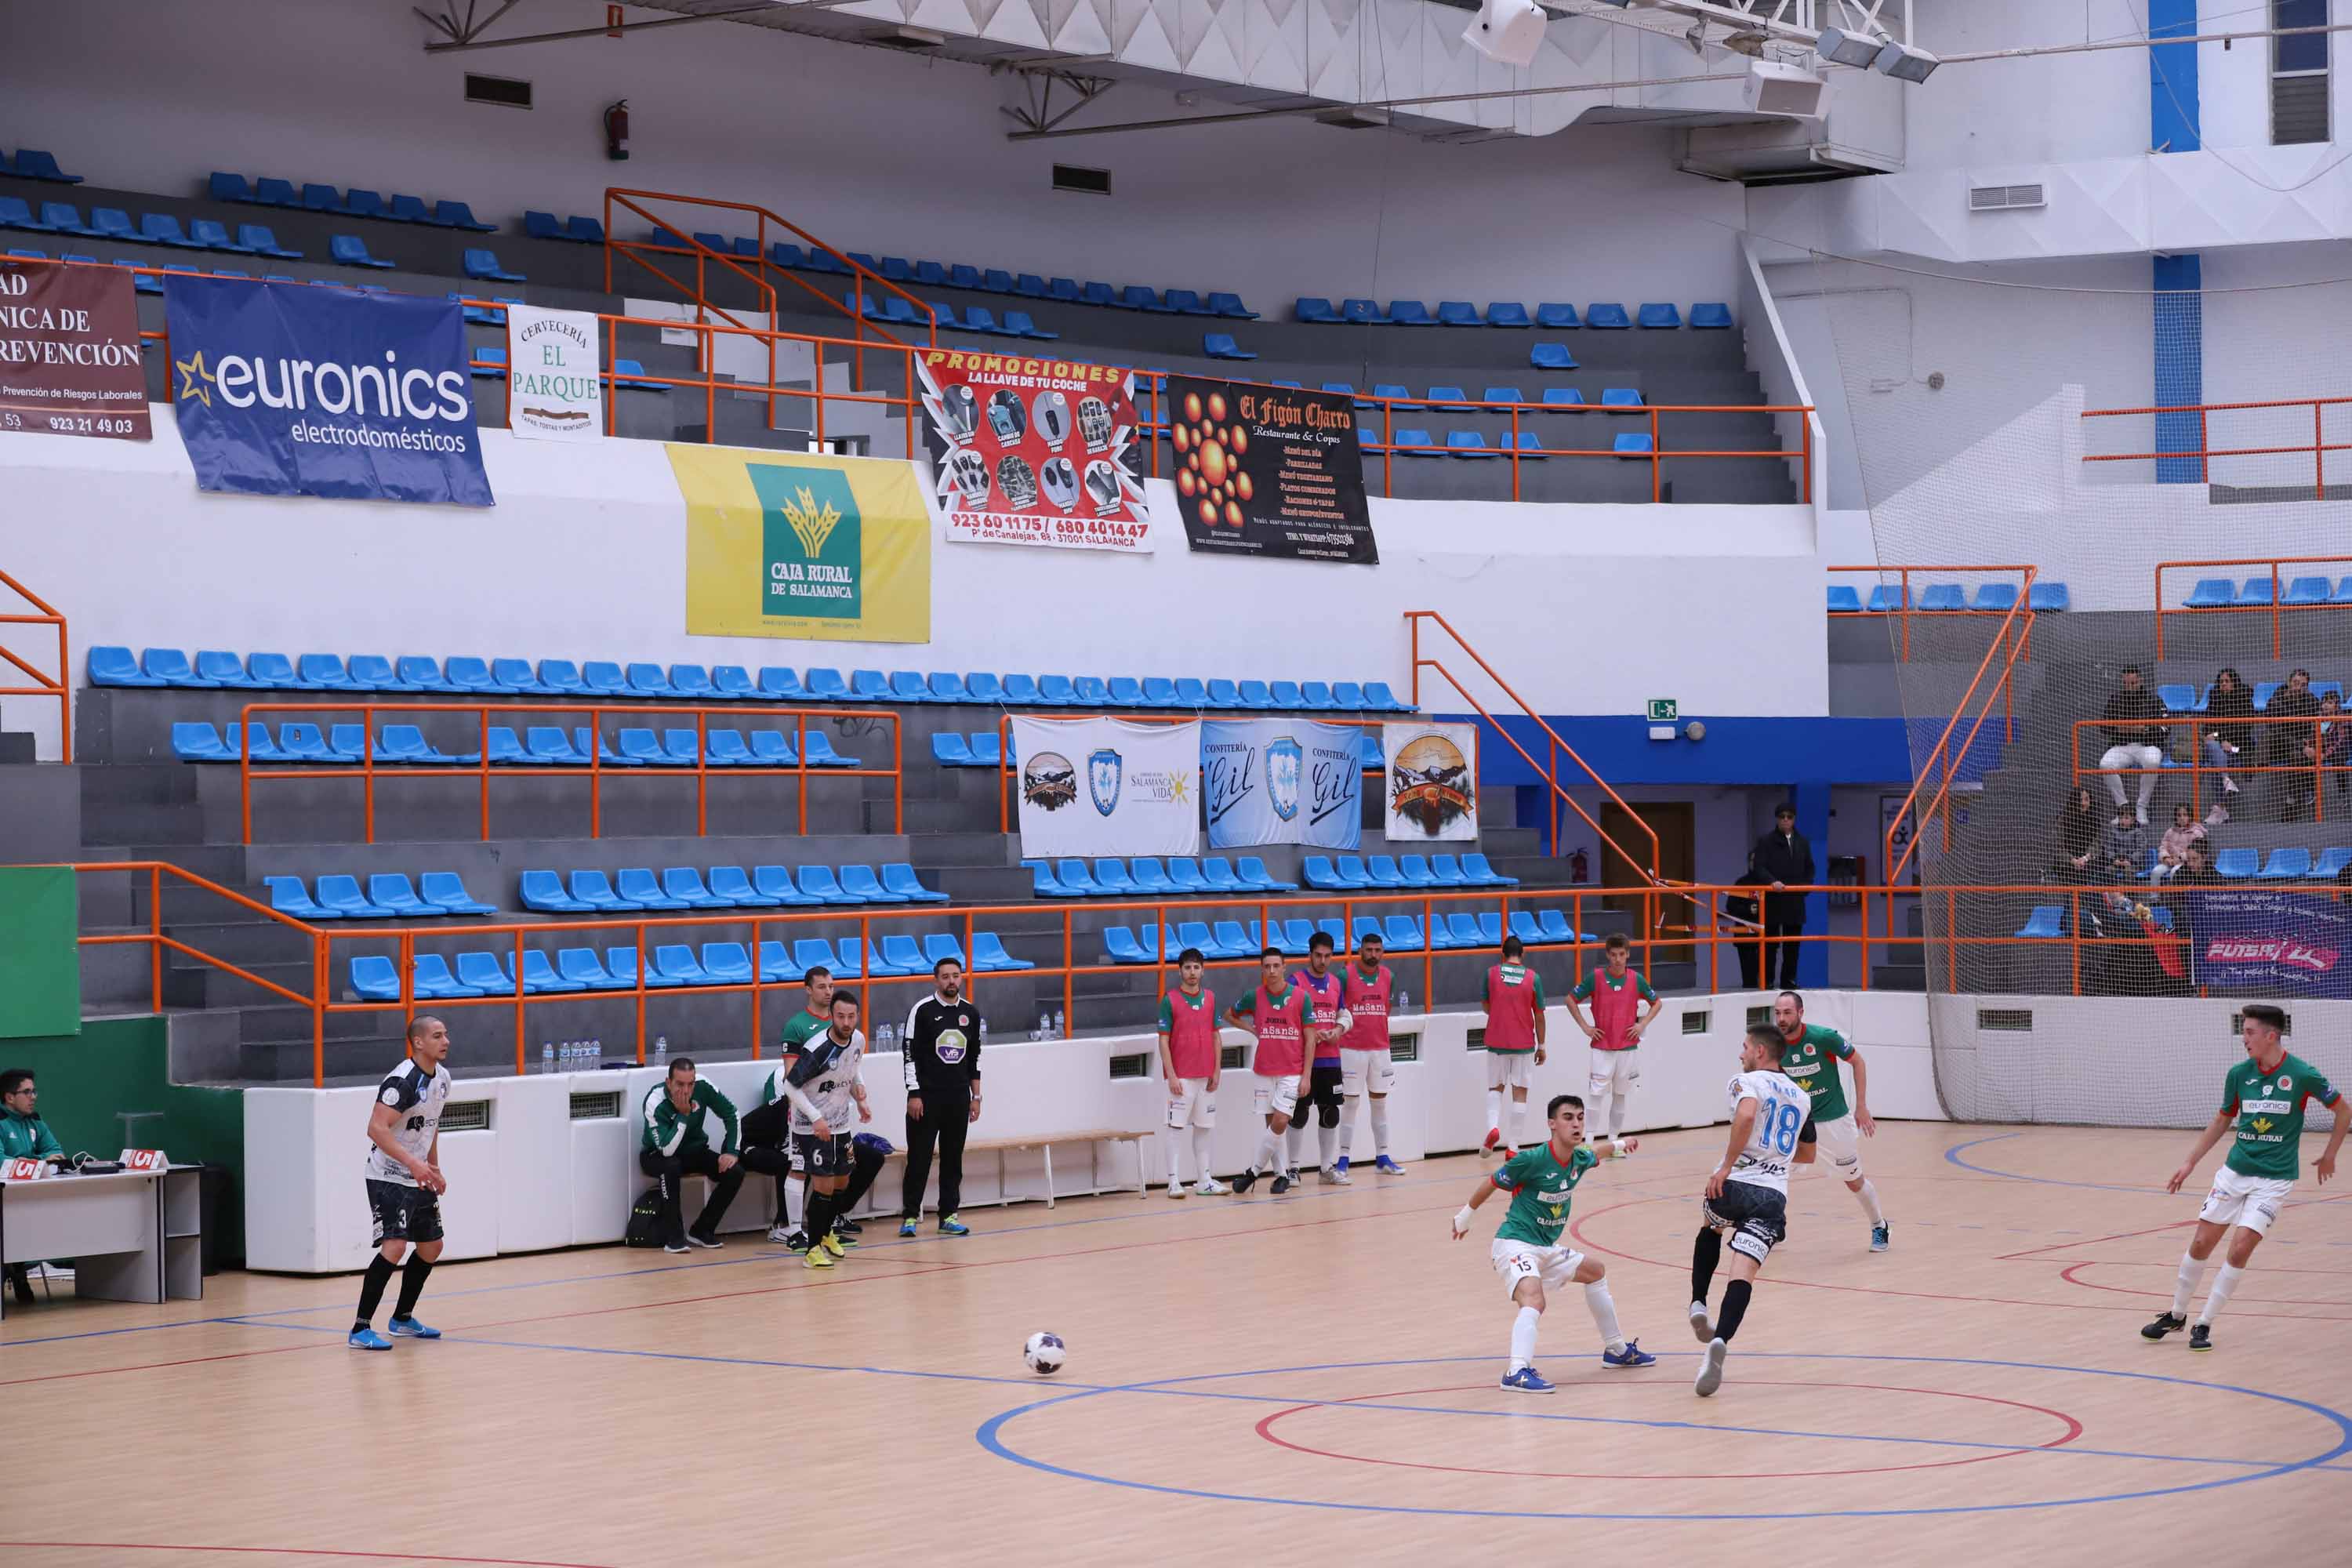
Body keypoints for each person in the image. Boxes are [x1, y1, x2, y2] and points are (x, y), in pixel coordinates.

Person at [2143, 1004, 2346, 1351]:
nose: (2244, 1038)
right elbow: (2223, 1119)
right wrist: (2190, 1162)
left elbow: (2343, 1110)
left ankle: (2204, 1324)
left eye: (2250, 1031)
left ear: (2271, 1036)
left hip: (2274, 1181)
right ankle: (2176, 1315)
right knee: (2200, 1244)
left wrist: (2330, 1155)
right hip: (2234, 1173)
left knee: (2239, 1249)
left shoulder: (2302, 1074)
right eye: (2243, 1030)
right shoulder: (2239, 1074)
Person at [1450, 1093, 1655, 1393]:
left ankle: (1616, 1350)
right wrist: (1464, 1217)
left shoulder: (1579, 1158)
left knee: (1596, 1271)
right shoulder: (1532, 1160)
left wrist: (1623, 1144)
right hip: (1515, 1243)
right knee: (1534, 1300)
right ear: (1552, 1124)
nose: (1576, 1124)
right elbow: (1492, 1182)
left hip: (1547, 1247)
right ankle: (1517, 1371)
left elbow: (1598, 1152)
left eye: (1581, 1117)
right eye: (1568, 1117)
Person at [1689, 1025, 1806, 1398]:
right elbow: (1809, 1154)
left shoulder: (1747, 1080)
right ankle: (1720, 1340)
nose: (1740, 1054)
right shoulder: (1801, 1097)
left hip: (1737, 1185)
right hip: (1774, 1196)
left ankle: (1697, 1302)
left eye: (1744, 1048)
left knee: (1711, 1224)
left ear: (1758, 1051)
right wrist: (1778, 1157)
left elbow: (1747, 1116)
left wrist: (1726, 1165)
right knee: (1744, 1273)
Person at [350, 1017, 453, 1351]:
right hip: (388, 1176)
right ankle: (360, 1328)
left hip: (418, 1175)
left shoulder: (443, 1079)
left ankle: (403, 1319)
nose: (446, 1040)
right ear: (418, 1042)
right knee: (394, 1247)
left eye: (446, 1035)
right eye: (438, 1036)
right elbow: (376, 1129)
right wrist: (413, 1163)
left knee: (431, 1246)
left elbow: (431, 1125)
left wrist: (433, 1167)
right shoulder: (402, 1081)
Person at [1773, 990, 1886, 1250]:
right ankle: (1776, 1226)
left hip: (1833, 1121)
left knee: (1853, 1179)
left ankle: (1879, 1225)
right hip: (1797, 1124)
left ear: (1800, 1013)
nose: (1781, 1018)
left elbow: (1858, 1062)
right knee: (1774, 1172)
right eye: (1777, 1012)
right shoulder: (1772, 1044)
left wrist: (1861, 1106)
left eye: (1787, 1012)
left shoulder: (1823, 1038)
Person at [781, 990, 870, 1268]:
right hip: (811, 1125)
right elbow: (790, 1085)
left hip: (840, 1122)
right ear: (831, 1016)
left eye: (851, 1016)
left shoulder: (858, 1039)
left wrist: (861, 1095)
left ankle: (827, 1231)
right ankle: (812, 1249)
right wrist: (816, 1117)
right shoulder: (817, 1049)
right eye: (841, 1016)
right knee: (824, 1185)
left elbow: (852, 1067)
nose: (846, 1022)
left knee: (843, 1180)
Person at [1225, 947, 1318, 1195]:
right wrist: (1252, 1029)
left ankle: (1252, 1172)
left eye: (1276, 966)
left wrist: (1306, 1074)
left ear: (1284, 967)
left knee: (1280, 1122)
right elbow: (1229, 1015)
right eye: (1267, 966)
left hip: (1291, 1071)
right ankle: (1281, 1176)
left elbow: (1310, 1039)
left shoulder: (1301, 997)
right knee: (1271, 1126)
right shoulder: (1254, 996)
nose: (1272, 971)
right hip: (1264, 1070)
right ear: (1262, 969)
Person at [900, 956, 983, 1237]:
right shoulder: (922, 1010)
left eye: (956, 976)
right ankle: (910, 1217)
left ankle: (948, 1215)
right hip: (926, 1099)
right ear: (936, 980)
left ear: (962, 978)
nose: (951, 981)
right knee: (919, 1159)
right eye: (945, 976)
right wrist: (914, 1093)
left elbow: (975, 1057)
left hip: (959, 1099)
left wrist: (976, 1097)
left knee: (952, 1159)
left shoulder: (971, 1012)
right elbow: (909, 1054)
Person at [637, 1056, 746, 1256]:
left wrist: (731, 1151)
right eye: (680, 1084)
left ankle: (702, 1230)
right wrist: (683, 1115)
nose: (686, 1091)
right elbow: (667, 1150)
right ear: (668, 1082)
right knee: (671, 1166)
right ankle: (674, 1238)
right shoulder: (654, 1100)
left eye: (690, 1084)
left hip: (693, 1151)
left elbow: (732, 1114)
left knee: (735, 1172)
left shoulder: (703, 1087)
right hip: (657, 1154)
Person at [1566, 933, 1664, 1142]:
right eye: (1613, 955)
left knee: (1620, 1095)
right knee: (1596, 1094)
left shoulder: (1637, 979)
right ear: (1607, 956)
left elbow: (1657, 1002)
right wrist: (1586, 1027)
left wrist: (1642, 1024)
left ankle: (1613, 1141)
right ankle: (1589, 1142)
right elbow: (1570, 1000)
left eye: (1621, 954)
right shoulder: (1596, 977)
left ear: (1628, 954)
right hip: (1602, 1047)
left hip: (1627, 1048)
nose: (1618, 959)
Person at [1156, 948, 1228, 1198]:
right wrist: (1172, 1075)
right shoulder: (1170, 1000)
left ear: (1203, 970)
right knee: (1175, 1128)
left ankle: (1204, 1180)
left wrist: (1217, 1070)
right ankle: (1173, 1181)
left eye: (1196, 967)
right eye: (1187, 967)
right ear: (1180, 971)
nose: (1192, 972)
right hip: (1182, 1077)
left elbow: (1216, 1036)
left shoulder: (1210, 998)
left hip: (1206, 1076)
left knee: (1204, 1128)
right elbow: (1163, 1041)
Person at [1336, 930, 1406, 1178]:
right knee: (1351, 1103)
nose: (1373, 954)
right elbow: (1338, 1010)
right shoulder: (1345, 975)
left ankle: (1383, 1157)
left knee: (1380, 1103)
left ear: (1382, 952)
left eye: (1377, 950)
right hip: (1351, 1049)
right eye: (1369, 950)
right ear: (1360, 951)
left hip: (1380, 1048)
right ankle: (1343, 1160)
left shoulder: (1389, 976)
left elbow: (1387, 1008)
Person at [1, 1069, 65, 1307]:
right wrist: (39, 1162)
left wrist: (40, 1161)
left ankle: (18, 1269)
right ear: (9, 1097)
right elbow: (1, 1162)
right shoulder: (0, 1123)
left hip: (31, 1194)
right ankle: (14, 1270)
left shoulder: (36, 1122)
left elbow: (55, 1151)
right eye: (27, 1092)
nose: (33, 1097)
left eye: (34, 1091)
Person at [1481, 935, 1547, 1156]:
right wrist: (1542, 1045)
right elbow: (1539, 1015)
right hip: (1523, 1043)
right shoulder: (1533, 978)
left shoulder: (1490, 974)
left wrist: (1500, 1015)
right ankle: (1513, 1147)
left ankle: (1493, 1128)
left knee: (1495, 1088)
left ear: (1502, 954)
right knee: (1520, 1094)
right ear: (1522, 954)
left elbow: (1486, 1005)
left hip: (1497, 1041)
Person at [1294, 931, 1350, 1185]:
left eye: (1328, 956)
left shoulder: (1336, 983)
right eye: (1318, 955)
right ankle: (1293, 1169)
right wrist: (1308, 1034)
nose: (1323, 961)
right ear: (1310, 955)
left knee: (1331, 1114)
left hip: (1330, 1060)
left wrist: (1338, 1029)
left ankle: (1326, 1169)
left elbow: (1343, 1013)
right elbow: (1288, 1019)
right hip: (1303, 1061)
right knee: (1299, 1113)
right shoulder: (1295, 983)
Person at [1750, 803, 1814, 987]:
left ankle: (1789, 980)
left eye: (1789, 816)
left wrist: (1805, 887)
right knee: (1770, 944)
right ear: (1777, 819)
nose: (1786, 820)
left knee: (1792, 944)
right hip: (1774, 899)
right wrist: (1771, 882)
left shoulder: (1802, 842)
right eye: (1782, 816)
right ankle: (1767, 980)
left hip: (1794, 900)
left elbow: (1810, 868)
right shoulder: (1766, 841)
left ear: (1794, 819)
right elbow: (1759, 867)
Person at [2097, 665, 2168, 826]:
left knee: (2152, 762)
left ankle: (2141, 807)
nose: (2130, 687)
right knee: (2105, 764)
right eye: (2126, 684)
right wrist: (2119, 728)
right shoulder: (2115, 699)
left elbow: (2166, 728)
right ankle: (2123, 809)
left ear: (2141, 680)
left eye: (2133, 683)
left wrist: (2146, 729)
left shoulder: (2153, 699)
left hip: (2147, 745)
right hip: (2121, 745)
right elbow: (2103, 726)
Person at [2202, 666, 2252, 804]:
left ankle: (2220, 808)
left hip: (2238, 748)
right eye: (2221, 681)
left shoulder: (2245, 700)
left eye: (2227, 681)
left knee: (2214, 763)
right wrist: (2219, 738)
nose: (2223, 684)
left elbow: (2243, 728)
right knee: (2212, 746)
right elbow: (2207, 726)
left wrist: (2219, 736)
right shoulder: (2215, 700)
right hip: (2218, 747)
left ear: (2234, 683)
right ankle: (2226, 780)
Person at [1722, 862, 1766, 988]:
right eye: (1753, 860)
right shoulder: (1741, 882)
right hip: (1745, 934)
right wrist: (1748, 909)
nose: (1756, 863)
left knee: (1765, 974)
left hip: (1765, 933)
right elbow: (1731, 906)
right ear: (1749, 863)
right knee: (1749, 976)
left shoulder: (1769, 882)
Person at [2054, 786, 2103, 881]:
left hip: (2088, 861)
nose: (2083, 803)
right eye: (2080, 800)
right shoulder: (2063, 819)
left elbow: (2097, 844)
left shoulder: (2095, 819)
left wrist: (2084, 859)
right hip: (2067, 861)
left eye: (2086, 800)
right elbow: (2058, 846)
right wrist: (2073, 861)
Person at [2153, 802, 2208, 882]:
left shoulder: (2196, 832)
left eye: (2185, 815)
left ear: (2190, 816)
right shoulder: (2170, 831)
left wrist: (2179, 858)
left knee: (2174, 872)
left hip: (2185, 863)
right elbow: (2163, 847)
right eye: (2179, 815)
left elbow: (2197, 851)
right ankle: (2154, 895)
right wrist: (2166, 858)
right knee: (2156, 872)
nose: (2182, 818)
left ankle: (2174, 894)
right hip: (2170, 862)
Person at [2100, 802, 2147, 885]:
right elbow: (2109, 847)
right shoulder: (2113, 832)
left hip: (2132, 863)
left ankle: (2129, 895)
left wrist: (2130, 860)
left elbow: (2141, 849)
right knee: (2109, 870)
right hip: (2116, 861)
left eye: (2126, 818)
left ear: (2133, 819)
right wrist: (2114, 859)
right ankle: (2112, 895)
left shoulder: (2138, 832)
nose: (2123, 820)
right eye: (2121, 818)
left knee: (2129, 871)